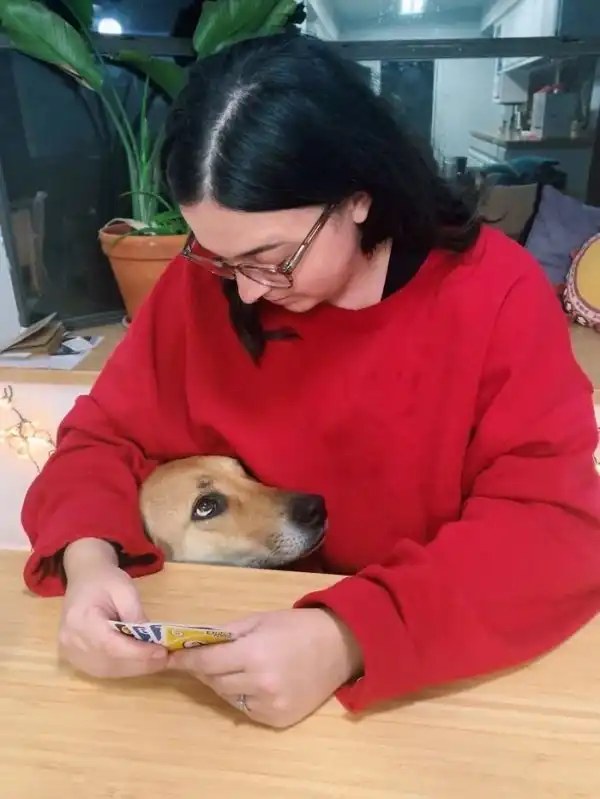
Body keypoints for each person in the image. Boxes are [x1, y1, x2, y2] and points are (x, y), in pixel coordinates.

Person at [21, 33, 600, 730]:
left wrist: (348, 634)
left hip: (425, 678)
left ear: (356, 197)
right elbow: (101, 438)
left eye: (272, 257)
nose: (246, 290)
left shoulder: (494, 293)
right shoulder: (205, 286)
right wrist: (90, 559)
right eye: (217, 256)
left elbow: (553, 528)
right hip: (231, 657)